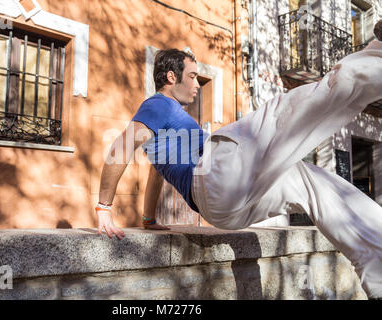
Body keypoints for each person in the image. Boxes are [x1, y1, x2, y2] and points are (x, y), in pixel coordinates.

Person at [96, 22, 382, 299]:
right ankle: (377, 54)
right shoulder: (158, 104)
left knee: (311, 183)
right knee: (283, 112)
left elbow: (156, 173)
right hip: (213, 182)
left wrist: (148, 219)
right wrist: (104, 208)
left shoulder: (165, 127)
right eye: (193, 76)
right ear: (172, 77)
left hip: (223, 209)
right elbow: (121, 146)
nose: (197, 84)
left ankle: (378, 276)